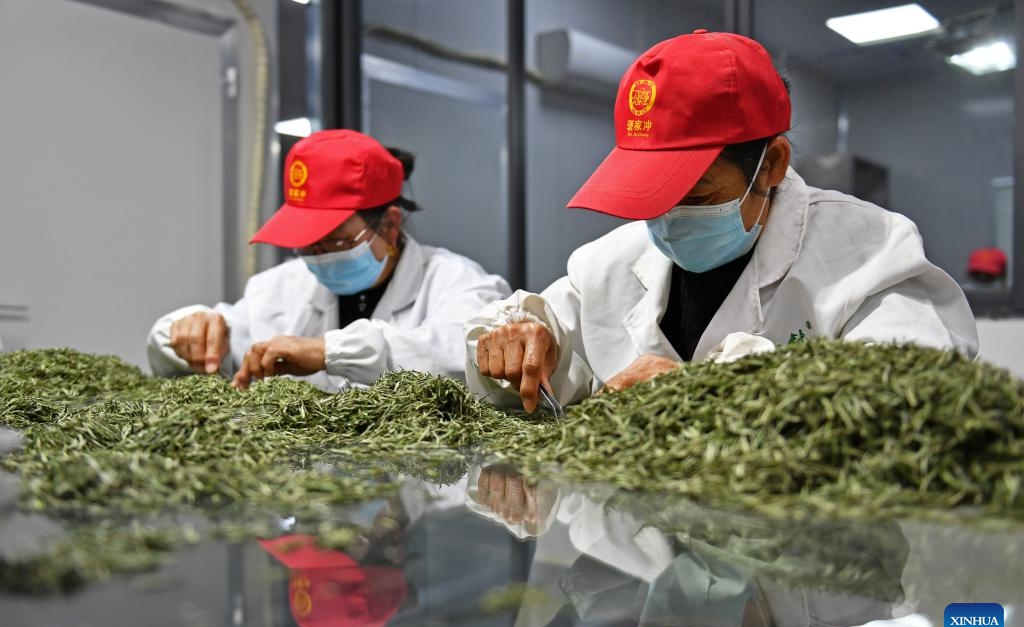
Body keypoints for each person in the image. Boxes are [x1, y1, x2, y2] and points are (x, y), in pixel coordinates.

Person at [466, 30, 978, 412]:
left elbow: (913, 395)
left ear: (772, 164)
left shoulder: (870, 251)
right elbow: (539, 350)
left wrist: (715, 389)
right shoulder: (606, 264)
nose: (666, 220)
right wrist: (514, 349)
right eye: (650, 195)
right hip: (636, 546)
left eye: (695, 194)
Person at [148, 129, 511, 391]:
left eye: (337, 241)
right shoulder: (278, 288)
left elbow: (464, 355)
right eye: (307, 244)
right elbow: (215, 340)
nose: (319, 258)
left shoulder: (456, 282)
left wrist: (328, 351)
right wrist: (185, 332)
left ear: (389, 224)